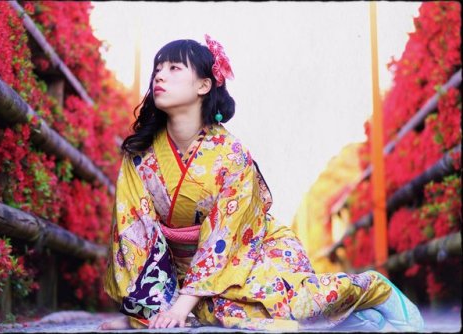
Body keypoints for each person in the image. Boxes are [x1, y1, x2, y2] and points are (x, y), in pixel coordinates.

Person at [99, 35, 424, 331]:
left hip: (254, 252)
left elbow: (224, 236)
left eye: (173, 67)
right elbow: (135, 231)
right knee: (223, 314)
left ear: (203, 85)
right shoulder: (140, 155)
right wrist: (145, 312)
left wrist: (181, 306)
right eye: (158, 67)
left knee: (292, 303)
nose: (159, 75)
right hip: (183, 270)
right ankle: (358, 322)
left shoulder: (230, 154)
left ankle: (373, 289)